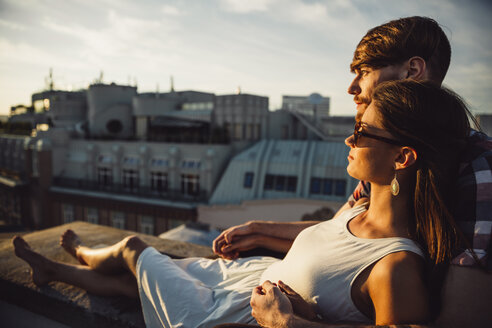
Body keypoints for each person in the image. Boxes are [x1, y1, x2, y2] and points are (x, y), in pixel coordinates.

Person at [13, 79, 474, 327]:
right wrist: (259, 231)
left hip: (226, 315)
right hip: (245, 280)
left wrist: (291, 325)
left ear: (403, 157)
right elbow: (327, 253)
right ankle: (55, 269)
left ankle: (83, 252)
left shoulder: (395, 266)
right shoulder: (356, 210)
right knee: (139, 283)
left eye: (365, 132)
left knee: (135, 247)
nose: (350, 138)